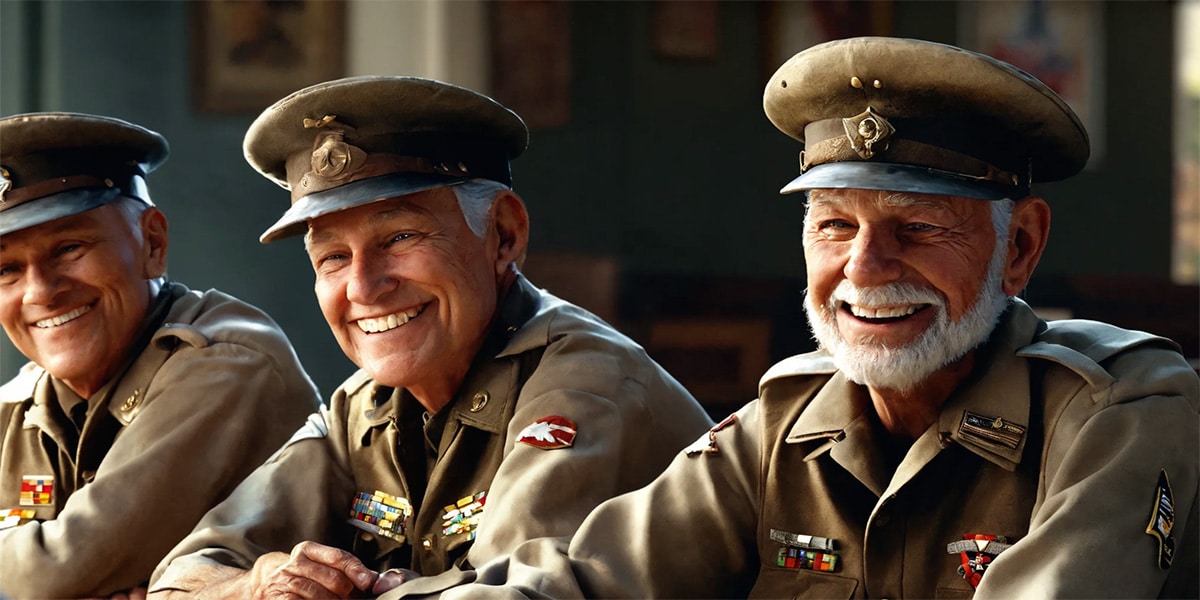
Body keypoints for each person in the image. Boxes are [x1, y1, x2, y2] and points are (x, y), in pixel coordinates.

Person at [414, 36, 1200, 599]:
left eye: (918, 228)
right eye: (833, 225)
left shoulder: (1121, 405)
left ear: (1019, 246)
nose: (863, 267)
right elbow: (584, 581)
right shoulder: (784, 422)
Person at [147, 75, 713, 598]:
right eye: (333, 258)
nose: (364, 287)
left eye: (400, 237)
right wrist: (256, 586)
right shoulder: (361, 405)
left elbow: (511, 594)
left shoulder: (586, 385)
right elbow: (179, 578)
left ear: (504, 235)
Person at [0, 112, 321, 599]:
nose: (41, 292)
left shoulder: (226, 362)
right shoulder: (21, 405)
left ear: (152, 242)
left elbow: (56, 571)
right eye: (6, 271)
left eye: (69, 248)